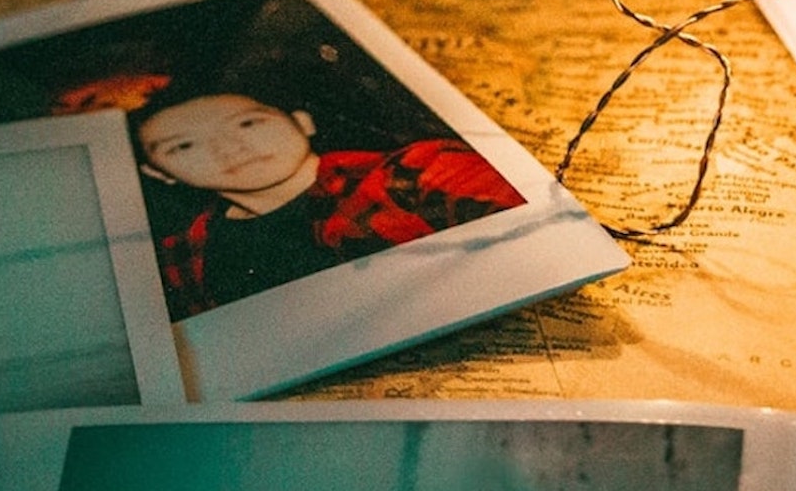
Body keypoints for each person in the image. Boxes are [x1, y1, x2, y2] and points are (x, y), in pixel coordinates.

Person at [134, 90, 526, 320]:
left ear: (303, 122)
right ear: (158, 174)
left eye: (247, 124)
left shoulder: (418, 172)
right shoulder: (180, 257)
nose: (229, 148)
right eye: (183, 146)